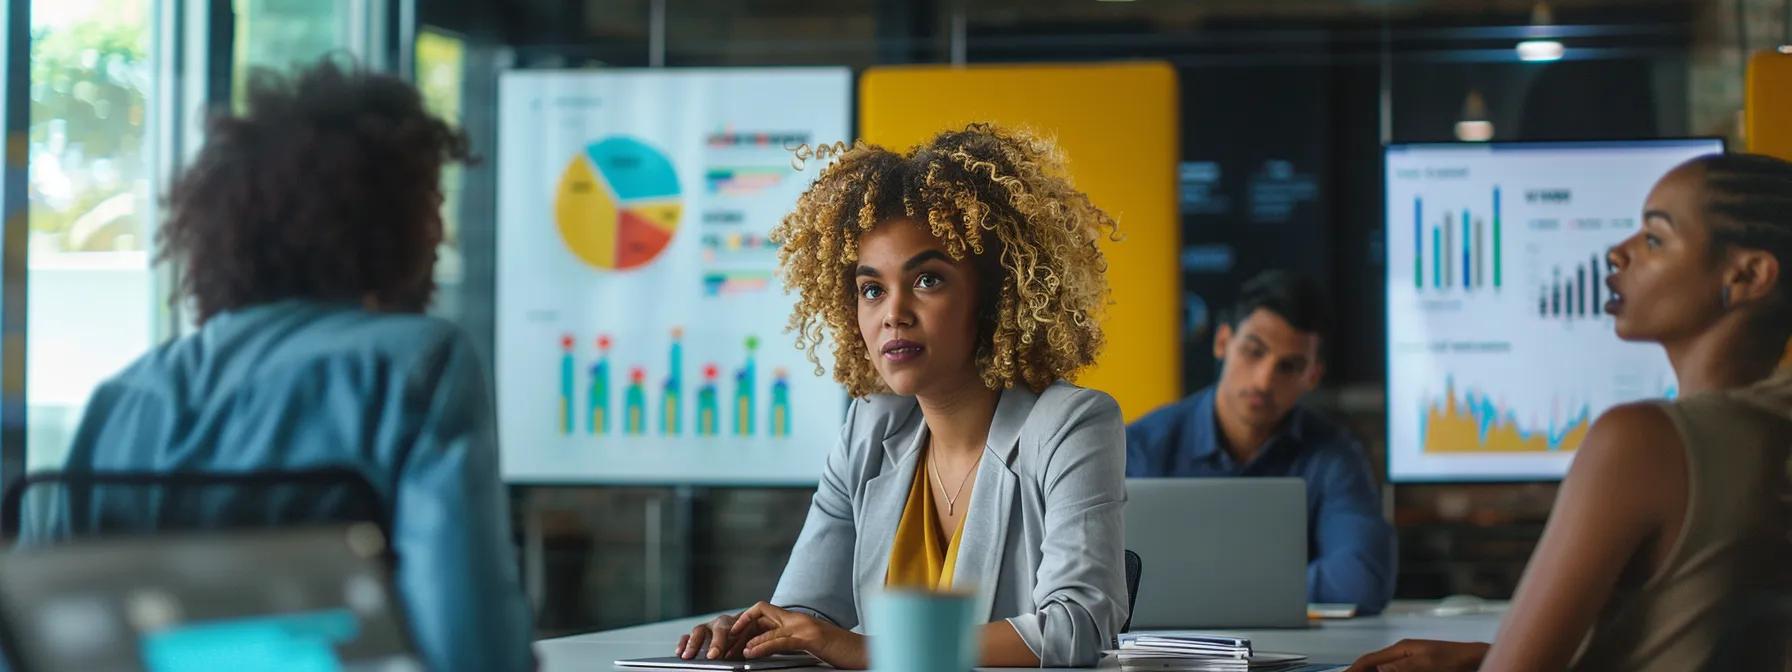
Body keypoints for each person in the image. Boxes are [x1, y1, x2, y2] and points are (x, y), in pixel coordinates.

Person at [29, 61, 536, 672]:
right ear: (386, 223)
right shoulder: (418, 366)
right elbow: (470, 646)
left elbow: (45, 627)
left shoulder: (126, 397)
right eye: (430, 205)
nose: (440, 235)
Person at [672, 124, 1128, 669]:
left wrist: (867, 652)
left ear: (993, 297)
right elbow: (804, 615)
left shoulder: (1072, 424)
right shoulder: (869, 431)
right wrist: (749, 634)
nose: (893, 313)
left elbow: (1078, 628)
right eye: (872, 289)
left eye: (928, 280)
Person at [1347, 153, 1792, 672]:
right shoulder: (1771, 427)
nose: (1617, 253)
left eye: (1654, 239)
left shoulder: (1642, 441)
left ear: (1748, 274)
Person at [1125, 270, 1395, 614]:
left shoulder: (1334, 455)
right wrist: (1267, 591)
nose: (1264, 380)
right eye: (1254, 352)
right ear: (1223, 342)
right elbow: (1104, 580)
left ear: (1311, 376)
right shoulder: (1140, 445)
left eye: (1289, 366)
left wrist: (1199, 590)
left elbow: (1361, 581)